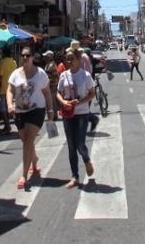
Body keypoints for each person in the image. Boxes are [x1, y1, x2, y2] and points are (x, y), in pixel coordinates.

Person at [6, 46, 55, 190]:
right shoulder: (15, 74)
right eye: (23, 55)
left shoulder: (40, 74)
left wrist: (50, 110)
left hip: (37, 110)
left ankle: (24, 176)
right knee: (26, 140)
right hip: (20, 111)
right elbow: (10, 90)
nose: (25, 58)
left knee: (28, 140)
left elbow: (47, 92)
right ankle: (34, 161)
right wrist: (10, 104)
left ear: (33, 57)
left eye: (28, 55)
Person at [56, 49, 96, 188]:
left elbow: (92, 94)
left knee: (80, 143)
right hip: (68, 114)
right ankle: (75, 176)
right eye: (67, 59)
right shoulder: (63, 76)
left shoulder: (85, 76)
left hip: (82, 113)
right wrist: (63, 102)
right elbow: (58, 93)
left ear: (79, 60)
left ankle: (86, 159)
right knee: (71, 146)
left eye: (72, 58)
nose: (69, 61)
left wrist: (81, 102)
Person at [0, 47, 18, 134]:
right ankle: (6, 125)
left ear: (3, 54)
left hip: (3, 88)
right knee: (8, 107)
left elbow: (0, 76)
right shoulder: (14, 62)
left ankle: (8, 125)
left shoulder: (2, 62)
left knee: (2, 108)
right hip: (12, 88)